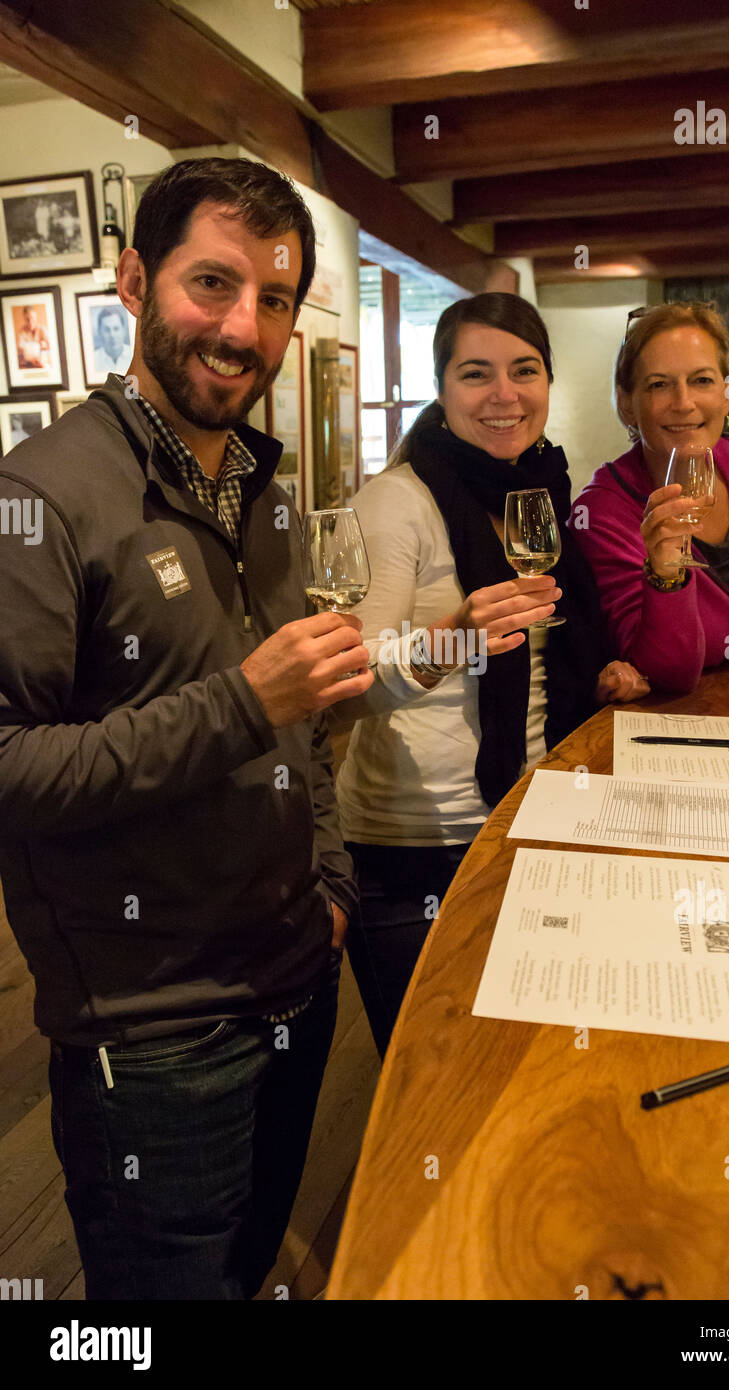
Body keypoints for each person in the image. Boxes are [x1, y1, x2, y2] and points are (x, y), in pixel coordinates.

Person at [0, 156, 373, 1300]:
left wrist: (332, 881)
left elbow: (293, 726)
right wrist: (239, 702)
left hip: (291, 972)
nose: (242, 327)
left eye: (270, 296)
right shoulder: (42, 495)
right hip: (151, 1030)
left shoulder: (260, 486)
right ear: (130, 279)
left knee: (251, 1262)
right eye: (210, 285)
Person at [332, 292, 648, 1058]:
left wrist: (600, 667)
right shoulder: (396, 503)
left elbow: (544, 657)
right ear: (441, 390)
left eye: (523, 370)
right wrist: (452, 640)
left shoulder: (538, 487)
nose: (504, 394)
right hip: (418, 846)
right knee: (434, 1075)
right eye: (477, 374)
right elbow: (348, 689)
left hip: (529, 813)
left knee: (517, 1058)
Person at [568, 302, 729, 693]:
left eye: (702, 380)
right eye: (659, 384)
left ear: (728, 392)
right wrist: (666, 576)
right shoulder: (602, 511)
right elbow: (668, 672)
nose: (683, 402)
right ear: (627, 403)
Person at [92, 304, 130, 372]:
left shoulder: (133, 354)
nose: (112, 335)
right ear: (99, 332)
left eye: (116, 329)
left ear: (123, 330)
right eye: (107, 330)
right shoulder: (92, 359)